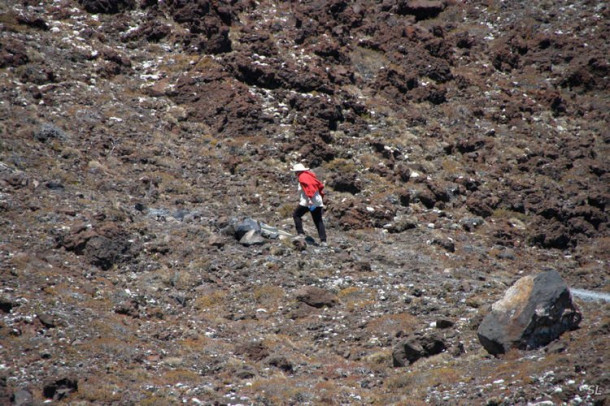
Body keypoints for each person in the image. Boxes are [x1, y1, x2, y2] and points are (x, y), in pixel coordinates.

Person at [291, 163, 327, 245]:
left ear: (297, 172)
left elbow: (309, 188)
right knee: (318, 221)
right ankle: (323, 241)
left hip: (308, 201)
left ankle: (300, 234)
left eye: (295, 172)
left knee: (296, 215)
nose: (295, 174)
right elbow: (320, 186)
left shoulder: (302, 176)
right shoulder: (310, 176)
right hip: (317, 201)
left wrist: (310, 199)